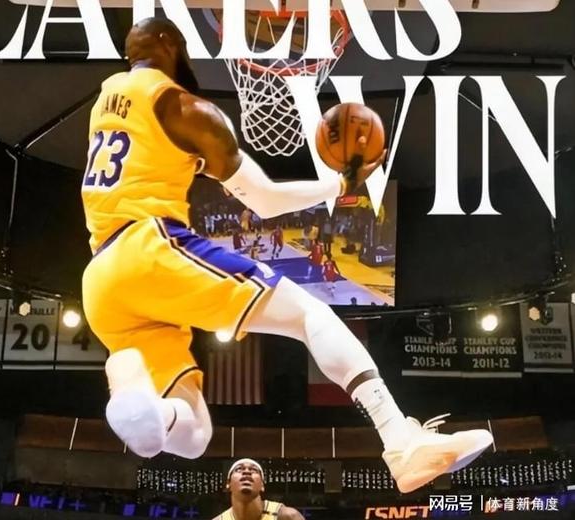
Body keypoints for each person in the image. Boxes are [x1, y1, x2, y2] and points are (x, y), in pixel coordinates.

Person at [80, 17, 493, 494]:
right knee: (310, 316)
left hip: (100, 281)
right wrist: (340, 184)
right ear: (170, 44)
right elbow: (265, 200)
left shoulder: (104, 102)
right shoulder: (187, 110)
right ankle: (400, 439)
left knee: (193, 434)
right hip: (147, 249)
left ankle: (136, 396)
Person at [213, 459, 304, 520]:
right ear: (228, 484)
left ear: (262, 485)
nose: (247, 472)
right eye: (239, 469)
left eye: (254, 470)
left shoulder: (287, 516)